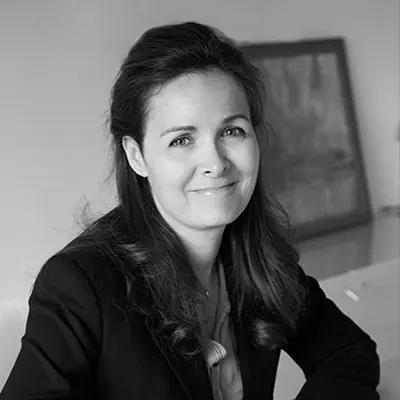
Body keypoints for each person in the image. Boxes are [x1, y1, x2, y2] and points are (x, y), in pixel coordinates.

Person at [1, 22, 380, 400]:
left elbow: (349, 353)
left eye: (232, 131)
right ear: (136, 156)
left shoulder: (258, 259)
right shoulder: (79, 285)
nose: (215, 162)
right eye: (182, 140)